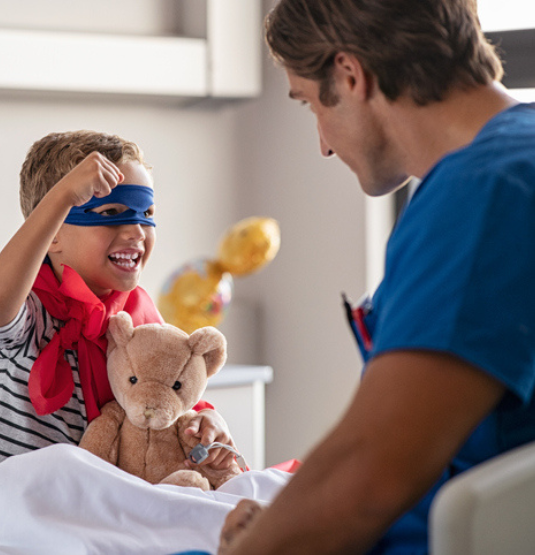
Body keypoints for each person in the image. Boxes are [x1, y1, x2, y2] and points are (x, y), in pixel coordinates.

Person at [219, 0, 535, 554]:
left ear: (349, 74)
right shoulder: (515, 160)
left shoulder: (481, 194)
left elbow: (369, 477)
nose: (322, 143)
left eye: (312, 104)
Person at [0, 130, 235, 471]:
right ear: (52, 233)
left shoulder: (139, 315)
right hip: (11, 509)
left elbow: (166, 390)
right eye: (111, 212)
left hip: (95, 506)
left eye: (146, 214)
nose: (136, 231)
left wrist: (207, 419)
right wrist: (61, 198)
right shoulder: (30, 310)